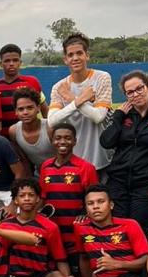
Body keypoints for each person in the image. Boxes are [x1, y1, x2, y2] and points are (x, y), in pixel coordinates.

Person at [1, 178, 101, 277]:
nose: (27, 198)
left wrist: (67, 276)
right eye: (22, 195)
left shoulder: (50, 226)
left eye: (31, 195)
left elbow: (60, 259)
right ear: (15, 200)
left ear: (38, 199)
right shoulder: (5, 226)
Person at [100, 70, 148, 238]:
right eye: (130, 92)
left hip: (147, 186)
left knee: (139, 234)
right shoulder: (123, 116)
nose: (135, 94)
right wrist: (118, 117)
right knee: (117, 234)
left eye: (139, 88)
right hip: (118, 184)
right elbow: (106, 142)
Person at [38, 123, 99, 277]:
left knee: (78, 276)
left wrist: (85, 214)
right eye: (58, 138)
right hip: (54, 229)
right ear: (52, 141)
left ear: (75, 141)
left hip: (74, 229)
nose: (62, 142)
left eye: (67, 138)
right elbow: (43, 197)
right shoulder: (46, 166)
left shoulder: (85, 167)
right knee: (55, 272)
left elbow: (94, 197)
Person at [47, 33, 112, 173]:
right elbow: (52, 121)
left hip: (101, 160)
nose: (75, 58)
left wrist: (71, 98)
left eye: (79, 53)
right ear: (65, 59)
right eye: (70, 55)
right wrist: (78, 101)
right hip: (73, 162)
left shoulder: (102, 78)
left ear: (87, 55)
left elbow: (98, 117)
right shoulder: (59, 87)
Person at [0, 44, 48, 135]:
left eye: (15, 60)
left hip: (28, 138)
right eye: (7, 61)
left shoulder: (32, 82)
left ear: (20, 62)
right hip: (2, 139)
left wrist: (48, 131)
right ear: (1, 64)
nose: (11, 64)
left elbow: (44, 108)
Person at [8, 88, 55, 175]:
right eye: (21, 109)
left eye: (30, 108)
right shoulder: (13, 131)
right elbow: (24, 160)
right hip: (38, 176)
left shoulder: (50, 128)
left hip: (61, 175)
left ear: (38, 108)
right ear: (16, 112)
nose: (25, 112)